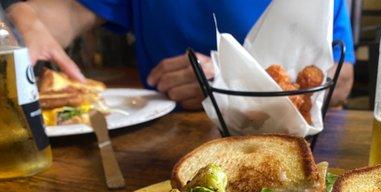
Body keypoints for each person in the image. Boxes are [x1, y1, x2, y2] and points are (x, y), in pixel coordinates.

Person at [5, 0, 355, 110]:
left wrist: (227, 76)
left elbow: (340, 82)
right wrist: (20, 17)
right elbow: (61, 15)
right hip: (155, 147)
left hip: (291, 144)